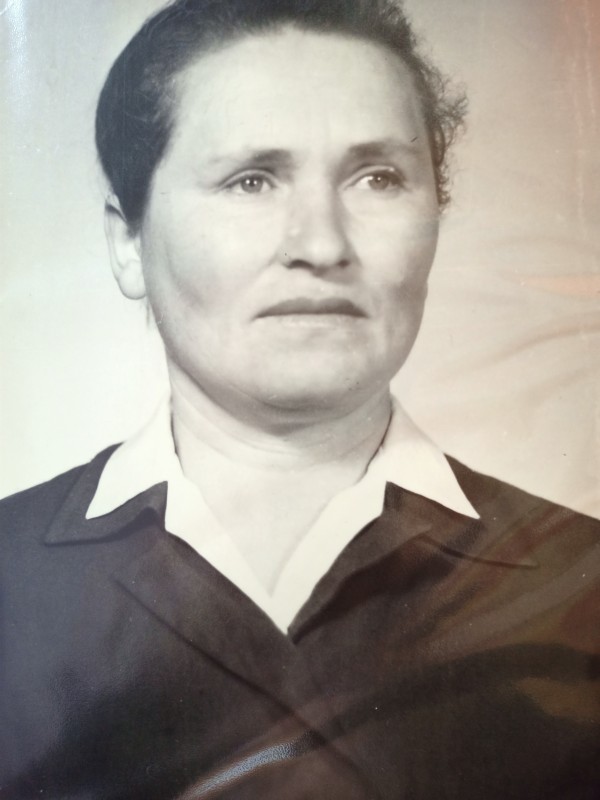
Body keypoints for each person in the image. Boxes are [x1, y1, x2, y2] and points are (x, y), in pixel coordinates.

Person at [1, 0, 598, 798]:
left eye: (378, 178)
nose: (321, 244)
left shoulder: (581, 577)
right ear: (127, 242)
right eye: (251, 180)